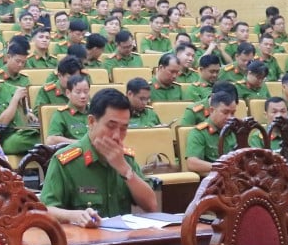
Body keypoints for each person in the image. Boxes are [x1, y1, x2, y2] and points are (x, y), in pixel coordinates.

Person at [40, 88, 159, 224]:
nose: (116, 136)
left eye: (123, 128)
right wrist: (74, 216)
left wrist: (125, 169)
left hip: (122, 235)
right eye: (111, 126)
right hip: (83, 236)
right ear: (91, 122)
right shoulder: (66, 161)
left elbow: (151, 205)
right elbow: (45, 210)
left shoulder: (125, 158)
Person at [183, 90, 241, 173]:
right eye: (225, 112)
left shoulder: (236, 130)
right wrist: (222, 167)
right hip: (214, 177)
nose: (229, 117)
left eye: (232, 113)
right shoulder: (199, 133)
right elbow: (192, 163)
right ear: (212, 110)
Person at [46, 74, 94, 146]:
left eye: (86, 92)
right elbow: (51, 140)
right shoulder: (61, 114)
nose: (83, 96)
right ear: (68, 93)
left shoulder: (95, 111)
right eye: (78, 92)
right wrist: (81, 144)